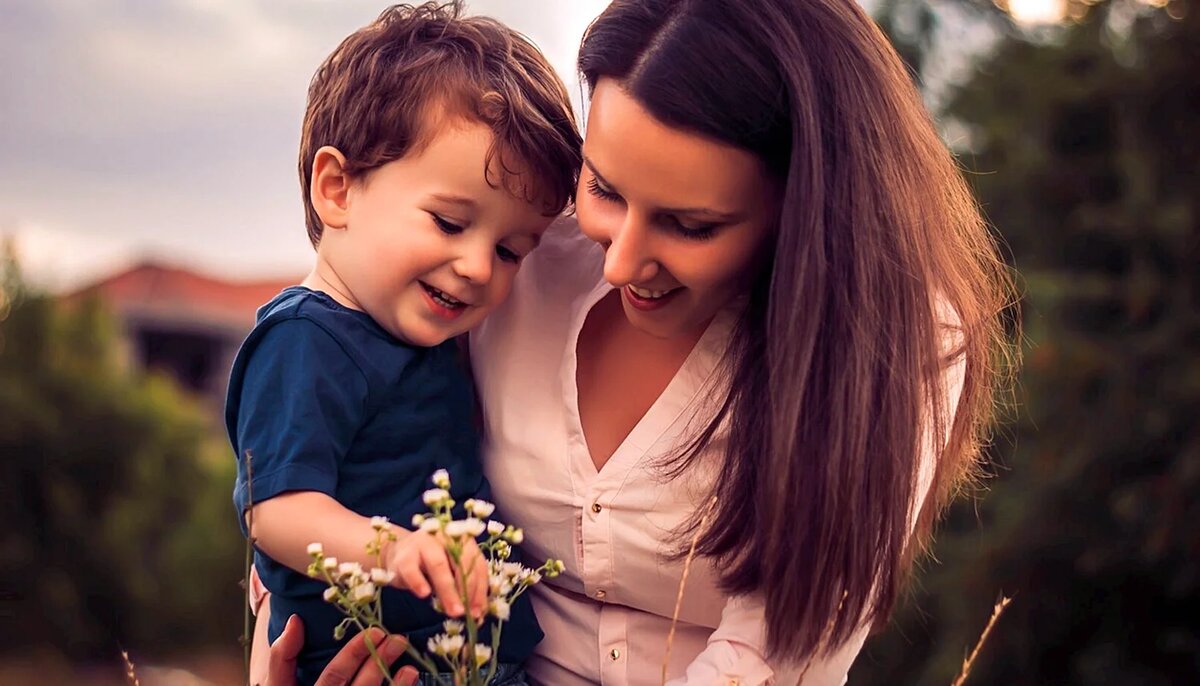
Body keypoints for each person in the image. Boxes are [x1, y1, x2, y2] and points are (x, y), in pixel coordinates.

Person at [257, 0, 1015, 683]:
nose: (618, 262)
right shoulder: (510, 252)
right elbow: (313, 453)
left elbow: (773, 657)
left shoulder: (896, 350)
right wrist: (279, 660)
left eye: (690, 225)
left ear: (805, 211)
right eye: (604, 190)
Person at [226, 3, 582, 685]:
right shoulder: (305, 339)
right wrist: (391, 550)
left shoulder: (425, 336)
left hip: (467, 655)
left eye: (510, 250)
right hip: (374, 664)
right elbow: (275, 510)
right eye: (450, 222)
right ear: (337, 189)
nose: (479, 266)